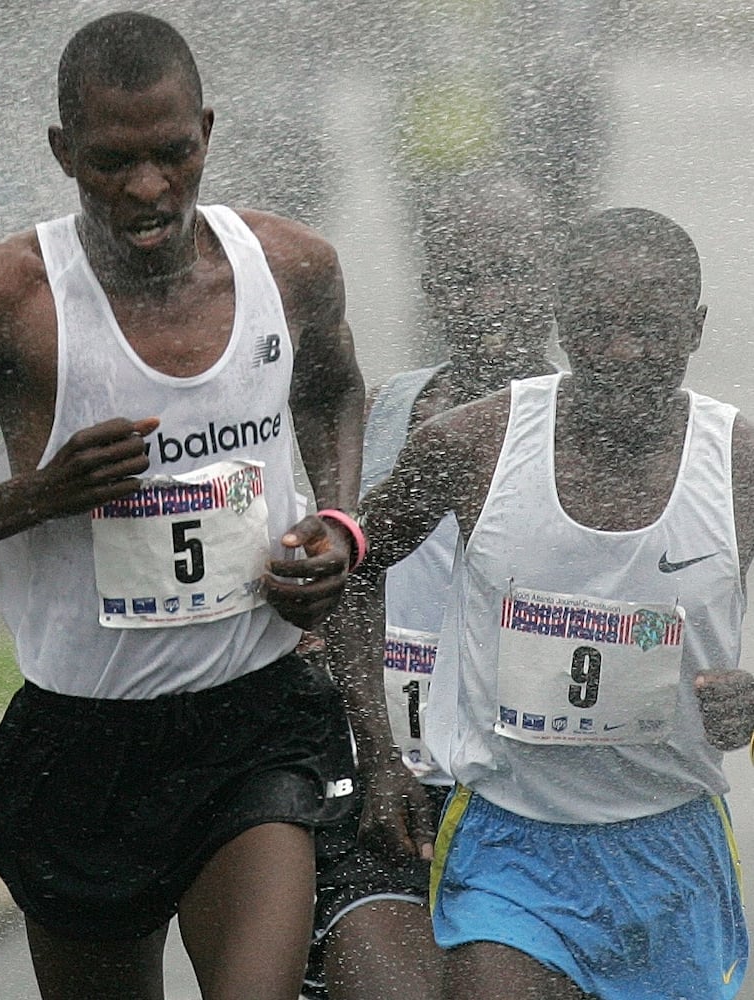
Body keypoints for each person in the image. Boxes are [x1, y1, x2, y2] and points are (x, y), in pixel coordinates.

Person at [0, 12, 365, 1000]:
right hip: (83, 742)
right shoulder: (1, 300)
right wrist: (39, 494)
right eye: (111, 161)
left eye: (171, 154)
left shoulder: (287, 268)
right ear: (61, 152)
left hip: (252, 723)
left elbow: (333, 390)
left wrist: (336, 525)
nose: (146, 189)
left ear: (205, 131)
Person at [344, 206, 754, 999]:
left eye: (652, 327)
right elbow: (360, 566)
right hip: (509, 842)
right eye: (597, 326)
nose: (624, 352)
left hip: (670, 849)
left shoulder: (739, 464)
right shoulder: (471, 444)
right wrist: (381, 755)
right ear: (562, 323)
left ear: (696, 327)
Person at [305, 172, 557, 1000]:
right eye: (461, 274)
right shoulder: (380, 415)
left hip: (541, 815)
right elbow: (333, 581)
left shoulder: (600, 444)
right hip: (390, 793)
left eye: (510, 271)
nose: (486, 298)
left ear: (550, 282)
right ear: (431, 286)